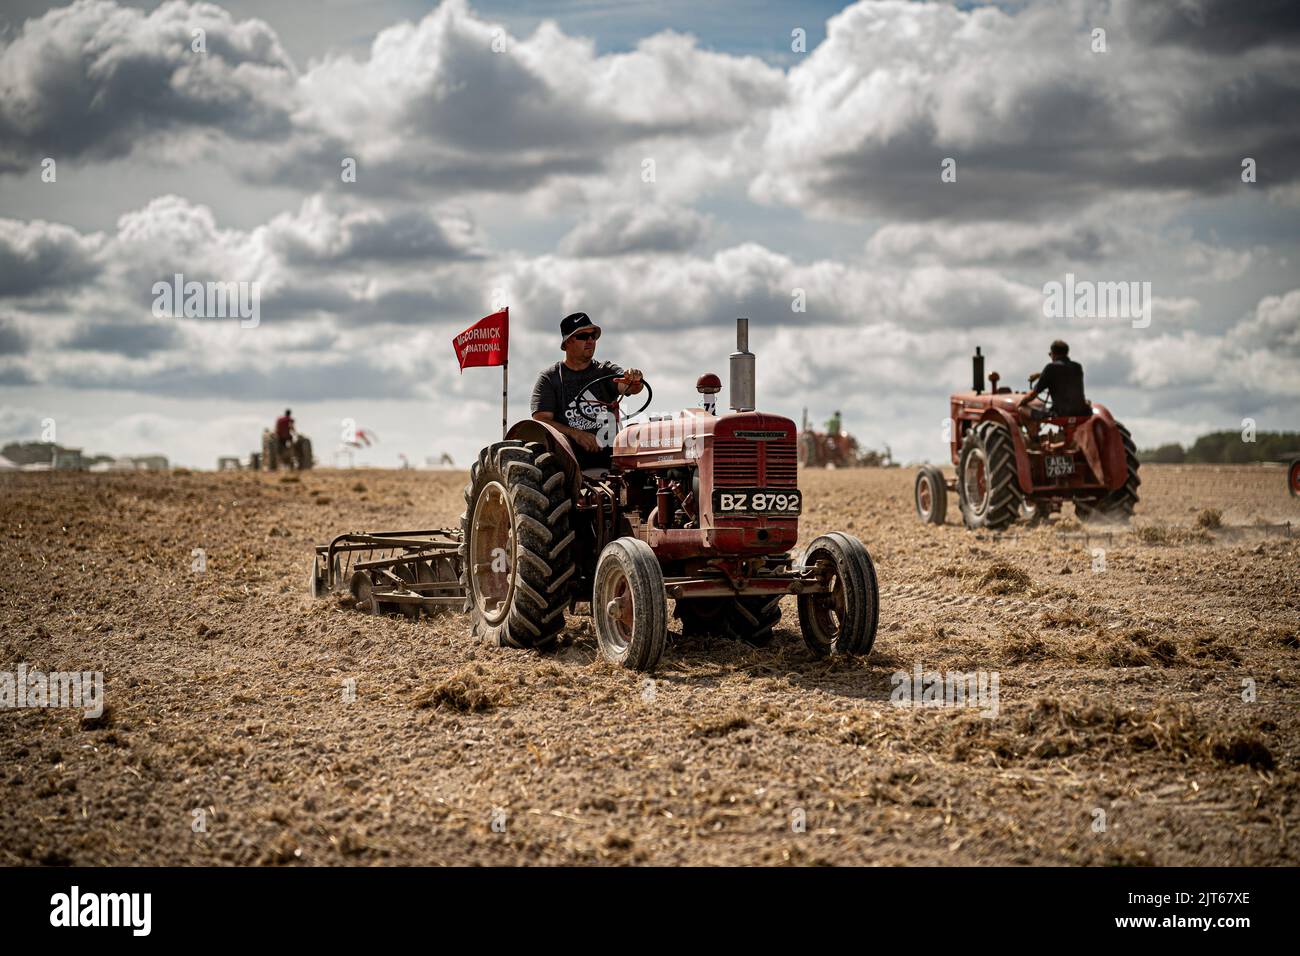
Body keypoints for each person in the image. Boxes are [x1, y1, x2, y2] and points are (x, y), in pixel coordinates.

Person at [530, 312, 644, 469]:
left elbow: (628, 386)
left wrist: (635, 380)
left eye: (593, 336)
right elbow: (541, 420)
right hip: (567, 461)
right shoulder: (550, 378)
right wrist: (576, 434)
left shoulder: (605, 370)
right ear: (568, 342)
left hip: (610, 457)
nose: (590, 340)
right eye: (583, 336)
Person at [1018, 340, 1090, 420]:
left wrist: (1021, 403)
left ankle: (1033, 432)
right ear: (1067, 353)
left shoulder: (1050, 368)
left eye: (1050, 354)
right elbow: (1063, 374)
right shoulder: (1077, 367)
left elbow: (1032, 395)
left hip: (1060, 414)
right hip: (1082, 412)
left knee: (1022, 409)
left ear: (1053, 354)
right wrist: (1040, 375)